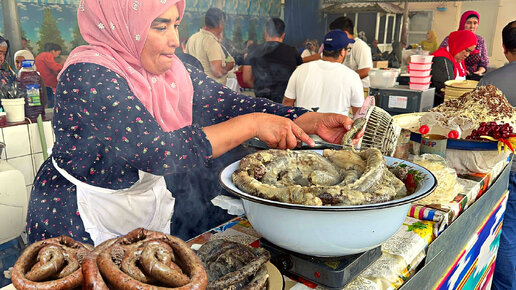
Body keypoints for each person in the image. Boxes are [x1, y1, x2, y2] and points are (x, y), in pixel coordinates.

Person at [26, 0, 354, 245]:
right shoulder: (88, 74)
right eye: (160, 27)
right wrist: (253, 124)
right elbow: (157, 151)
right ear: (121, 25)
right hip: (78, 215)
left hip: (145, 202)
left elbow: (228, 102)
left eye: (175, 25)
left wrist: (305, 118)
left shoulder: (172, 72)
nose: (174, 40)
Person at [478, 20, 516, 290]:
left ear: (504, 48)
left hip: (510, 169)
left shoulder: (492, 82)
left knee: (508, 233)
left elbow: (476, 129)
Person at [282, 30, 364, 116]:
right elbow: (359, 114)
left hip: (301, 128)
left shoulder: (300, 70)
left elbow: (287, 103)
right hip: (335, 128)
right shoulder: (352, 77)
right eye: (347, 49)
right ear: (342, 52)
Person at [242, 18, 302, 103]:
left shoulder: (253, 50)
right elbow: (298, 78)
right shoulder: (292, 52)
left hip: (261, 101)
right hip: (284, 103)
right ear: (283, 35)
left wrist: (259, 88)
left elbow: (246, 78)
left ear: (266, 33)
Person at [185, 7, 234, 85]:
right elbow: (218, 72)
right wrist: (228, 66)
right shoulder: (211, 43)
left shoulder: (192, 38)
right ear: (220, 24)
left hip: (196, 87)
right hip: (212, 90)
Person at [430, 30, 477, 106]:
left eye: (470, 52)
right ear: (459, 44)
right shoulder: (441, 60)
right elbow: (446, 89)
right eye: (466, 50)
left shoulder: (457, 58)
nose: (467, 55)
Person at [439, 11, 489, 79]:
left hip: (472, 78)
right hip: (454, 76)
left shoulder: (480, 41)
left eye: (475, 23)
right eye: (469, 23)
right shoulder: (452, 38)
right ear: (462, 23)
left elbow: (484, 62)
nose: (472, 26)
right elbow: (442, 59)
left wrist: (479, 72)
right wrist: (461, 70)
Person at [330, 17, 373, 88]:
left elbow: (366, 70)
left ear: (344, 33)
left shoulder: (360, 46)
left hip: (360, 89)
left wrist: (343, 79)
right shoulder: (340, 45)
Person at [35, 43, 63, 108]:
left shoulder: (41, 55)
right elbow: (54, 66)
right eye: (58, 53)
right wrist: (63, 67)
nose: (58, 55)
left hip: (41, 80)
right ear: (53, 51)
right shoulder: (47, 55)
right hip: (46, 80)